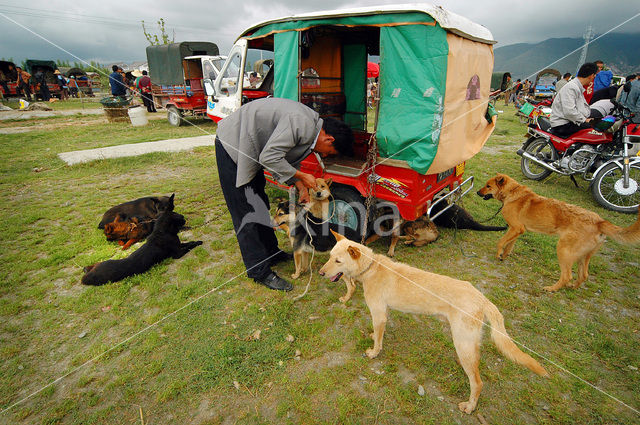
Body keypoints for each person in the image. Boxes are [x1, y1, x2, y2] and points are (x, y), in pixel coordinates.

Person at [215, 98, 354, 291]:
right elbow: (269, 157)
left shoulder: (311, 129)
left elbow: (285, 157)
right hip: (233, 144)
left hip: (251, 147)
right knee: (245, 210)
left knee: (259, 202)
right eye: (330, 152)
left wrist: (301, 187)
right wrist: (302, 176)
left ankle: (271, 252)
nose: (326, 155)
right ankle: (259, 271)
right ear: (329, 139)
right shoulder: (303, 124)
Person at [549, 62, 598, 138]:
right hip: (562, 124)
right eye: (594, 76)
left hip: (569, 121)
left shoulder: (577, 87)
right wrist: (584, 120)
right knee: (594, 132)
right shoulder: (572, 87)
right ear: (591, 76)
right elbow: (569, 111)